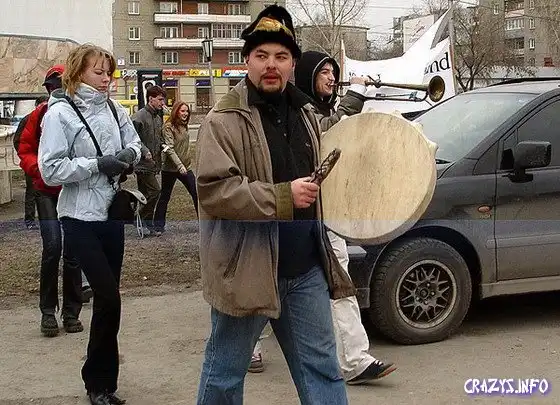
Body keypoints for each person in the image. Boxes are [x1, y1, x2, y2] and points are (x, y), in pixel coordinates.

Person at [195, 5, 368, 404]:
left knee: (323, 369)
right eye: (262, 55)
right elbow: (214, 190)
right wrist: (283, 196)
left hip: (305, 268)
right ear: (247, 61)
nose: (271, 65)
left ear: (292, 64)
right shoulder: (223, 119)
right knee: (225, 375)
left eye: (281, 56)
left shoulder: (305, 113)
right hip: (248, 270)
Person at [38, 44, 141, 405]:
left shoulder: (114, 108)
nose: (106, 79)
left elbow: (136, 142)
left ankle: (103, 383)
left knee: (110, 302)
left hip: (111, 213)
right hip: (78, 217)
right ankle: (96, 383)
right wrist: (97, 165)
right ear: (78, 71)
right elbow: (50, 169)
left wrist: (129, 155)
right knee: (108, 295)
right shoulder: (59, 113)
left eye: (109, 72)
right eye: (98, 72)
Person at [294, 50, 397, 384]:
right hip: (297, 213)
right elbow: (326, 133)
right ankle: (249, 344)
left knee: (340, 283)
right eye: (323, 72)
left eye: (332, 72)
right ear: (308, 76)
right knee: (275, 284)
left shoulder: (326, 108)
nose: (331, 77)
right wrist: (355, 96)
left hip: (329, 212)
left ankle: (355, 361)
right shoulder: (299, 109)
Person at [18, 66, 85, 337]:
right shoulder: (39, 114)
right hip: (46, 191)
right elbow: (24, 148)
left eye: (62, 85)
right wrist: (39, 170)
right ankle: (47, 311)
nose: (58, 90)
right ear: (48, 89)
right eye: (53, 86)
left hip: (72, 190)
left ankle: (71, 312)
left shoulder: (79, 114)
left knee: (73, 252)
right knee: (53, 247)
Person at [153, 101, 198, 234]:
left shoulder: (184, 125)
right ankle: (158, 226)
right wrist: (179, 165)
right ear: (176, 112)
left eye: (187, 111)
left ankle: (205, 224)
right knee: (165, 196)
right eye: (182, 111)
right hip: (171, 168)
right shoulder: (168, 127)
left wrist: (185, 164)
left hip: (186, 167)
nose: (185, 114)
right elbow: (169, 149)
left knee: (196, 193)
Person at [132, 85, 165, 235]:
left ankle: (146, 226)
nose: (162, 103)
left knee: (145, 195)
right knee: (155, 191)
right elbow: (132, 138)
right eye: (160, 99)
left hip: (153, 164)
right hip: (142, 164)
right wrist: (145, 151)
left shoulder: (157, 118)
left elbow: (158, 139)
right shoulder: (139, 117)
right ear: (151, 99)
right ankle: (139, 217)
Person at [14, 96, 48, 229]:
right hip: (33, 162)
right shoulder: (28, 119)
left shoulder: (52, 117)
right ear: (36, 106)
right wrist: (28, 159)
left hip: (48, 161)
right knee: (32, 191)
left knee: (50, 191)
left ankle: (49, 220)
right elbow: (18, 140)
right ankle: (30, 220)